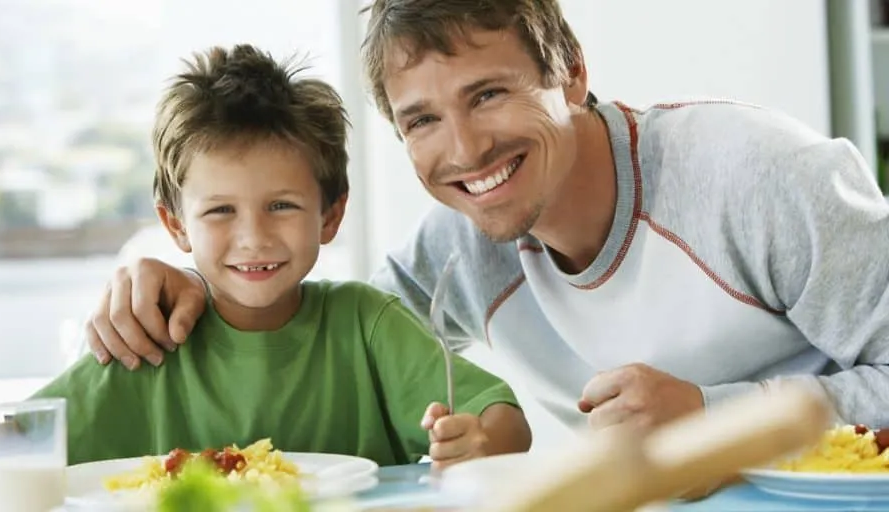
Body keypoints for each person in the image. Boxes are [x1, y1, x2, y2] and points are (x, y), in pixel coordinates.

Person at [89, 1, 889, 432]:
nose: (466, 150)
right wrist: (180, 282)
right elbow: (319, 336)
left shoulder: (754, 176)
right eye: (422, 121)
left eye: (489, 94)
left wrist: (710, 414)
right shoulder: (455, 257)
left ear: (571, 75)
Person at [0, 44, 531, 512]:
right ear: (176, 226)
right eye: (220, 211)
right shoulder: (147, 343)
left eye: (282, 206)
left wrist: (478, 441)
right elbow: (24, 454)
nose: (253, 237)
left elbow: (502, 418)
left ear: (331, 214)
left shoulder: (366, 325)